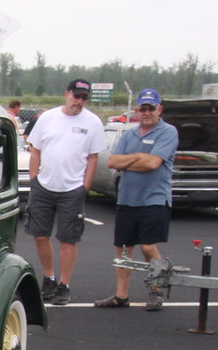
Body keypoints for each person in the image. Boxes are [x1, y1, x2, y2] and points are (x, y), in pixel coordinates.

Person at [94, 88, 178, 311]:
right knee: (123, 250)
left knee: (149, 247)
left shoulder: (167, 132)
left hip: (154, 199)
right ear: (137, 111)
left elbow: (152, 164)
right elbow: (113, 162)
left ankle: (157, 288)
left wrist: (131, 161)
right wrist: (140, 157)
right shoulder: (129, 134)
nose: (147, 112)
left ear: (159, 109)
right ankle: (121, 295)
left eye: (151, 108)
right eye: (143, 109)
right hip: (126, 200)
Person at [25, 78, 106, 305]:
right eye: (76, 96)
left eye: (84, 98)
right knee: (40, 235)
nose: (79, 101)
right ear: (67, 94)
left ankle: (64, 285)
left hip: (72, 189)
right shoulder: (48, 118)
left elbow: (93, 158)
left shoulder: (93, 122)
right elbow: (35, 151)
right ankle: (49, 278)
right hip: (44, 186)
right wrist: (34, 181)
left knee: (68, 239)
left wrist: (85, 187)